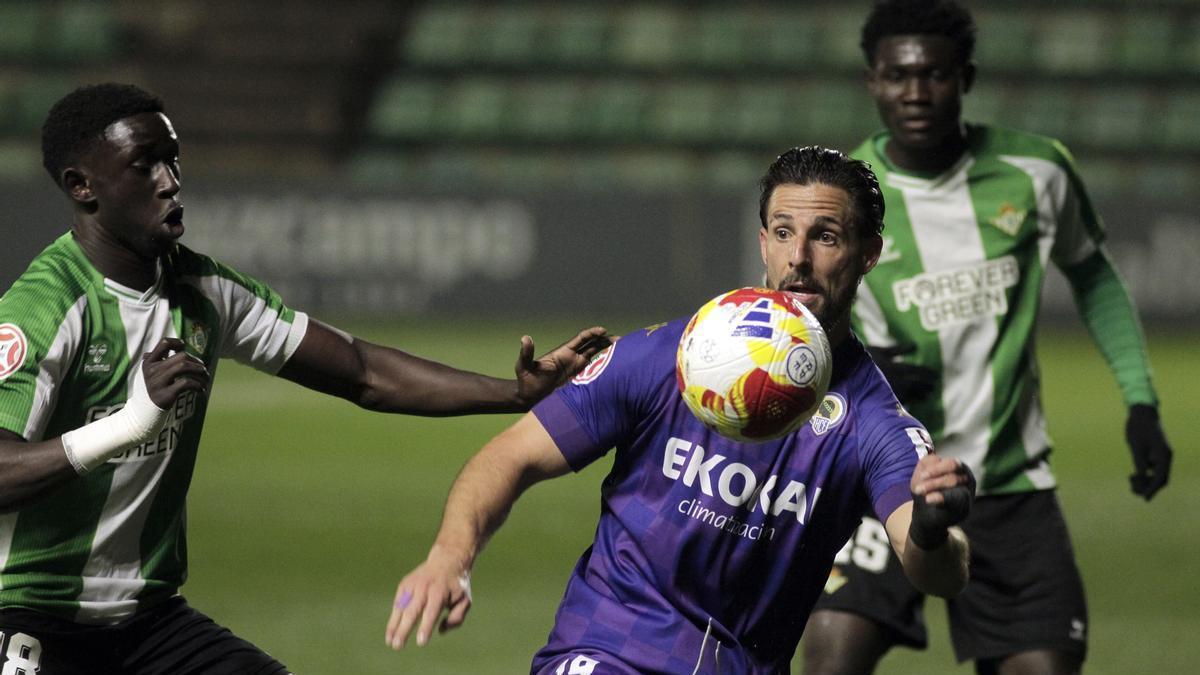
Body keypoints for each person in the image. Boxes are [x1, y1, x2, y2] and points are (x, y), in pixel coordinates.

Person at [0, 82, 610, 675]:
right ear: (82, 187)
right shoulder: (47, 308)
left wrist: (512, 393)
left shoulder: (206, 292)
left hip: (149, 622)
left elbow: (364, 372)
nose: (170, 181)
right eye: (144, 166)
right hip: (28, 614)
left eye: (173, 159)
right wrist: (128, 425)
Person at [385, 146, 976, 674]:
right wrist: (449, 558)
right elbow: (511, 456)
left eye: (825, 235)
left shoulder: (874, 420)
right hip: (606, 651)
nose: (799, 257)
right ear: (763, 241)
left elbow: (939, 569)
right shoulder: (664, 355)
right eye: (782, 231)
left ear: (867, 253)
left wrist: (929, 526)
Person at [802, 2, 1175, 674]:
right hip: (882, 477)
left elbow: (1093, 276)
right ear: (873, 82)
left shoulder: (1037, 172)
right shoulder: (843, 195)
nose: (916, 92)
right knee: (831, 653)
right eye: (898, 75)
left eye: (935, 74)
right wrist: (854, 365)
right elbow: (795, 321)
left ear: (965, 77)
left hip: (1008, 483)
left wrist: (1141, 402)